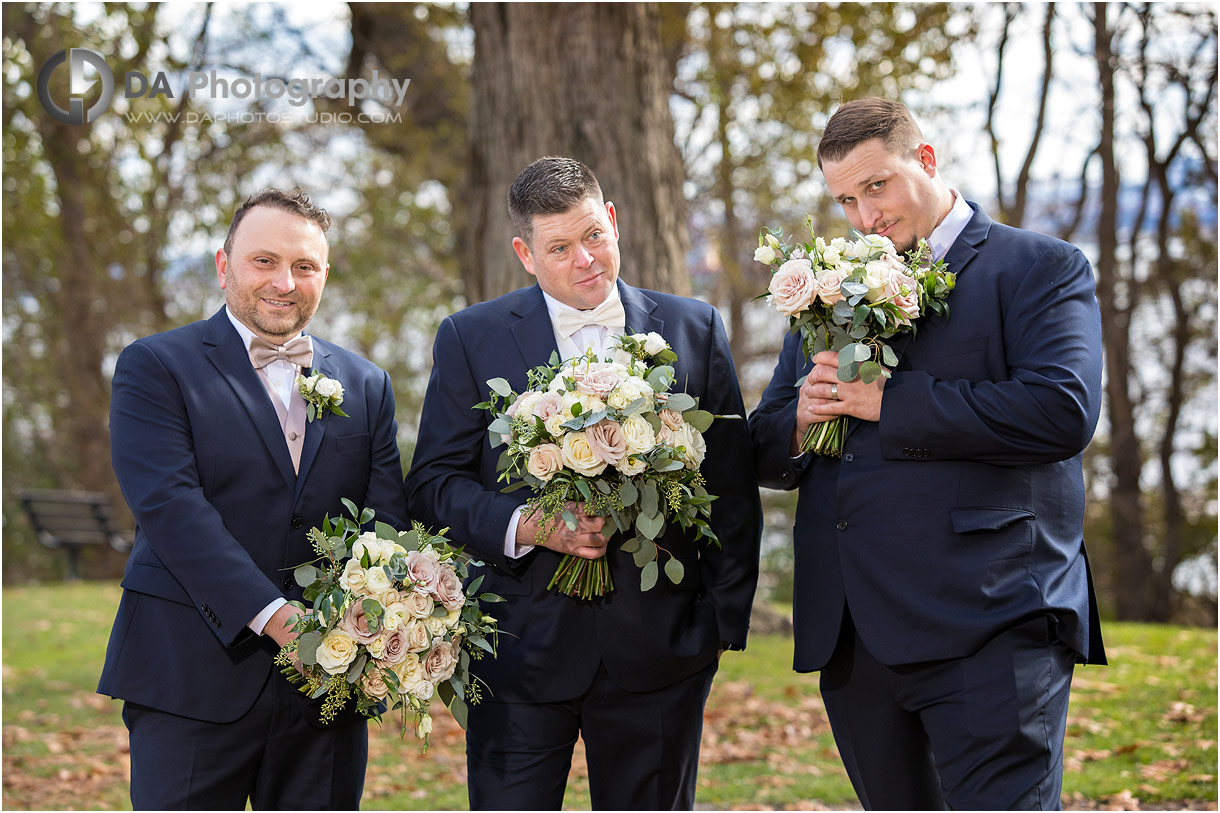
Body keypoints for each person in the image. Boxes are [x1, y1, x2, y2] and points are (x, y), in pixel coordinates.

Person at [749, 98, 1107, 810]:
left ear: (927, 160)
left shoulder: (1039, 267)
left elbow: (1063, 411)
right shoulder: (829, 290)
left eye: (876, 186)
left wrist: (894, 401)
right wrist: (800, 420)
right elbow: (763, 442)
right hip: (855, 638)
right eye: (844, 199)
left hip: (991, 622)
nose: (864, 216)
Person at [405, 156, 762, 810]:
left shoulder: (694, 328)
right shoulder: (470, 338)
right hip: (517, 648)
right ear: (525, 253)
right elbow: (431, 483)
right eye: (560, 247)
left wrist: (717, 621)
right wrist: (526, 525)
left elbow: (731, 483)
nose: (585, 259)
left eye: (594, 234)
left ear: (615, 222)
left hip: (662, 652)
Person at [98, 187, 409, 810]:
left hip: (330, 685)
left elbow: (385, 526)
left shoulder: (367, 384)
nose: (284, 282)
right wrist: (275, 616)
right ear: (223, 266)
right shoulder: (156, 366)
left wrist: (379, 619)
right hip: (191, 673)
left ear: (324, 275)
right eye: (263, 261)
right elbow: (170, 508)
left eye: (304, 266)